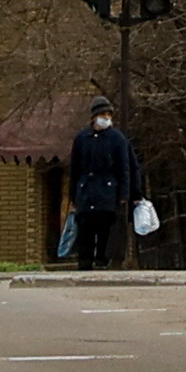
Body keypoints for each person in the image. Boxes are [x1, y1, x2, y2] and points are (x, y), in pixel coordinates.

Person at [64, 99, 138, 271]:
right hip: (85, 193)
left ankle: (102, 261)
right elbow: (74, 169)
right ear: (94, 117)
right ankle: (85, 263)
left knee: (105, 231)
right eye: (102, 115)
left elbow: (124, 169)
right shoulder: (82, 138)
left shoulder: (117, 139)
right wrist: (73, 195)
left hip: (107, 194)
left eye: (108, 115)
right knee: (85, 232)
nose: (105, 118)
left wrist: (123, 195)